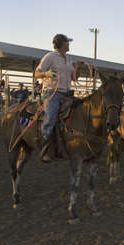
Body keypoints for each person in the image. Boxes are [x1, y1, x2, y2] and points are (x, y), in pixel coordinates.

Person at [35, 34, 81, 162]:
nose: (69, 44)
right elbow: (36, 73)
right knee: (50, 117)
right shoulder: (50, 57)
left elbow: (74, 78)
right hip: (52, 92)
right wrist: (45, 73)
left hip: (67, 93)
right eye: (68, 42)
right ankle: (44, 149)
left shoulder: (69, 59)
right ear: (62, 44)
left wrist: (77, 67)